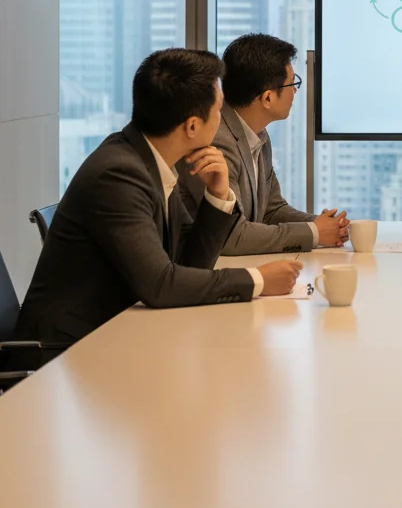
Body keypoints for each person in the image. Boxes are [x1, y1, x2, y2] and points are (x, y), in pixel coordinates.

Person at [14, 49, 303, 357]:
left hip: (114, 337)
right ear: (192, 126)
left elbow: (188, 263)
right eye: (219, 111)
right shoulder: (119, 173)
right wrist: (258, 279)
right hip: (63, 356)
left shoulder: (150, 159)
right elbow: (161, 285)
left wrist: (218, 196)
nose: (223, 121)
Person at [178, 34, 348, 255]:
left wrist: (321, 224)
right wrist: (313, 232)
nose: (295, 91)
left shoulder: (258, 134)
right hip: (203, 271)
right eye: (292, 83)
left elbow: (271, 209)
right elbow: (231, 236)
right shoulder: (216, 140)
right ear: (267, 98)